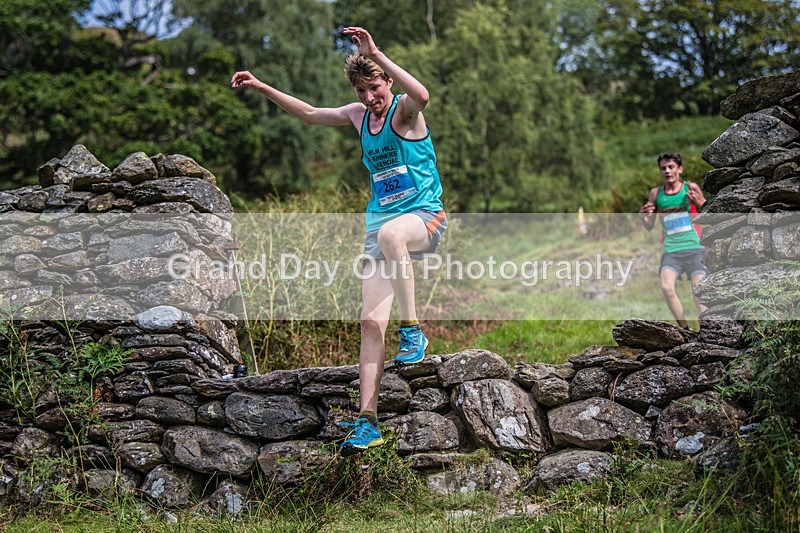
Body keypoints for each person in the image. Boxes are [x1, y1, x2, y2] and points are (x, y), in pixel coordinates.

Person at [231, 27, 446, 455]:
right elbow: (309, 113)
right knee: (368, 322)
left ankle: (414, 331)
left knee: (390, 234)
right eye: (362, 90)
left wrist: (378, 54)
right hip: (380, 230)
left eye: (375, 88)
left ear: (387, 82)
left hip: (425, 218)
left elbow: (422, 94)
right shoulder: (358, 116)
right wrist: (260, 86)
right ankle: (368, 422)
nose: (370, 97)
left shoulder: (406, 113)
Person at [639, 152, 707, 329]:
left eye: (671, 167)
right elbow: (649, 225)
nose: (667, 171)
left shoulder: (690, 188)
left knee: (699, 290)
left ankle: (706, 329)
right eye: (663, 168)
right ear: (660, 171)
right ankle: (684, 330)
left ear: (680, 169)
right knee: (667, 288)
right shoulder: (656, 194)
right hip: (671, 251)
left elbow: (709, 213)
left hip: (695, 247)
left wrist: (700, 204)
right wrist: (642, 217)